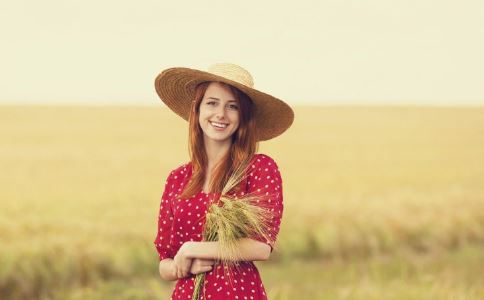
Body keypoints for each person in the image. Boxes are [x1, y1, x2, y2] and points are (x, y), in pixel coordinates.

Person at [153, 63, 294, 300]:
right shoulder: (177, 178)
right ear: (197, 110)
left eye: (232, 106)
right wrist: (181, 267)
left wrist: (193, 249)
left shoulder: (259, 168)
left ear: (243, 116)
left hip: (237, 293)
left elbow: (261, 246)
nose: (221, 114)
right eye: (212, 103)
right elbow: (165, 262)